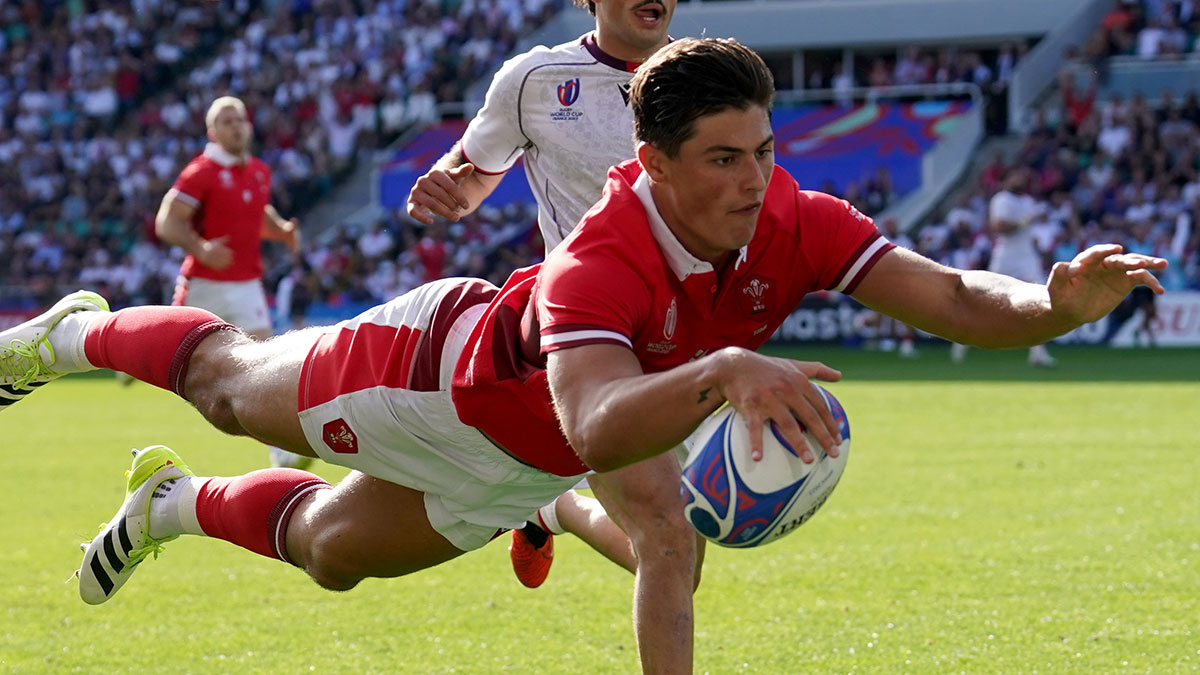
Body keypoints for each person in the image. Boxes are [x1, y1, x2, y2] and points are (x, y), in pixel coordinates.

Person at [0, 39, 1167, 675]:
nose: (752, 181)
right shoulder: (599, 256)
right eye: (721, 158)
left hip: (518, 460)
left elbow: (959, 294)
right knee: (224, 387)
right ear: (652, 160)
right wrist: (719, 375)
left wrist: (1051, 306)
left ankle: (172, 509)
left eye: (762, 150)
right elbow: (601, 426)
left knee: (333, 557)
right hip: (430, 377)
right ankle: (71, 333)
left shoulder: (793, 217)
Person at [405, 0, 676, 586]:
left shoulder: (703, 74)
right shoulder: (535, 80)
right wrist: (443, 187)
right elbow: (473, 171)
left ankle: (546, 507)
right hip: (589, 329)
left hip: (689, 330)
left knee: (675, 549)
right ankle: (558, 507)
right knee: (664, 552)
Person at [154, 95, 309, 468]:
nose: (235, 126)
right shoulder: (201, 171)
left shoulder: (258, 170)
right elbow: (167, 222)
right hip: (205, 283)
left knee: (263, 368)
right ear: (212, 131)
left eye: (239, 119)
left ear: (249, 126)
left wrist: (282, 231)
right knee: (165, 358)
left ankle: (282, 454)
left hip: (246, 284)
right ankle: (128, 364)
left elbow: (256, 214)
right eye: (226, 121)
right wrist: (201, 248)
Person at [950, 167, 1058, 366]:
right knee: (984, 302)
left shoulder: (1027, 201)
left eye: (1022, 175)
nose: (1020, 178)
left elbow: (1030, 229)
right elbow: (999, 226)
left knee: (1042, 300)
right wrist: (1024, 222)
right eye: (1016, 175)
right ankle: (961, 342)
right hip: (1005, 257)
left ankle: (1038, 353)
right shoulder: (1001, 199)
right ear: (1007, 179)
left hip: (1027, 257)